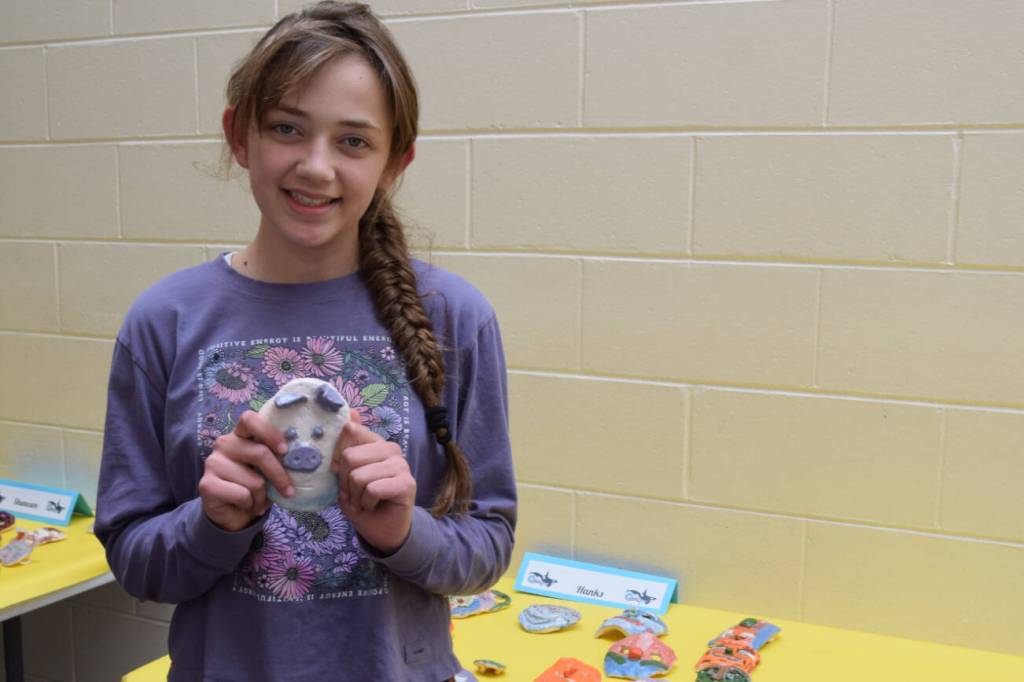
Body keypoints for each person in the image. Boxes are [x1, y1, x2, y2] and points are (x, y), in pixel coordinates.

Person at [94, 3, 516, 680]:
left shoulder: (454, 317)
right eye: (288, 128)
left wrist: (403, 533)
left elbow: (488, 545)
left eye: (353, 141)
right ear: (240, 136)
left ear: (394, 162)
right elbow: (134, 559)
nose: (316, 166)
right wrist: (211, 525)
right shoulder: (164, 320)